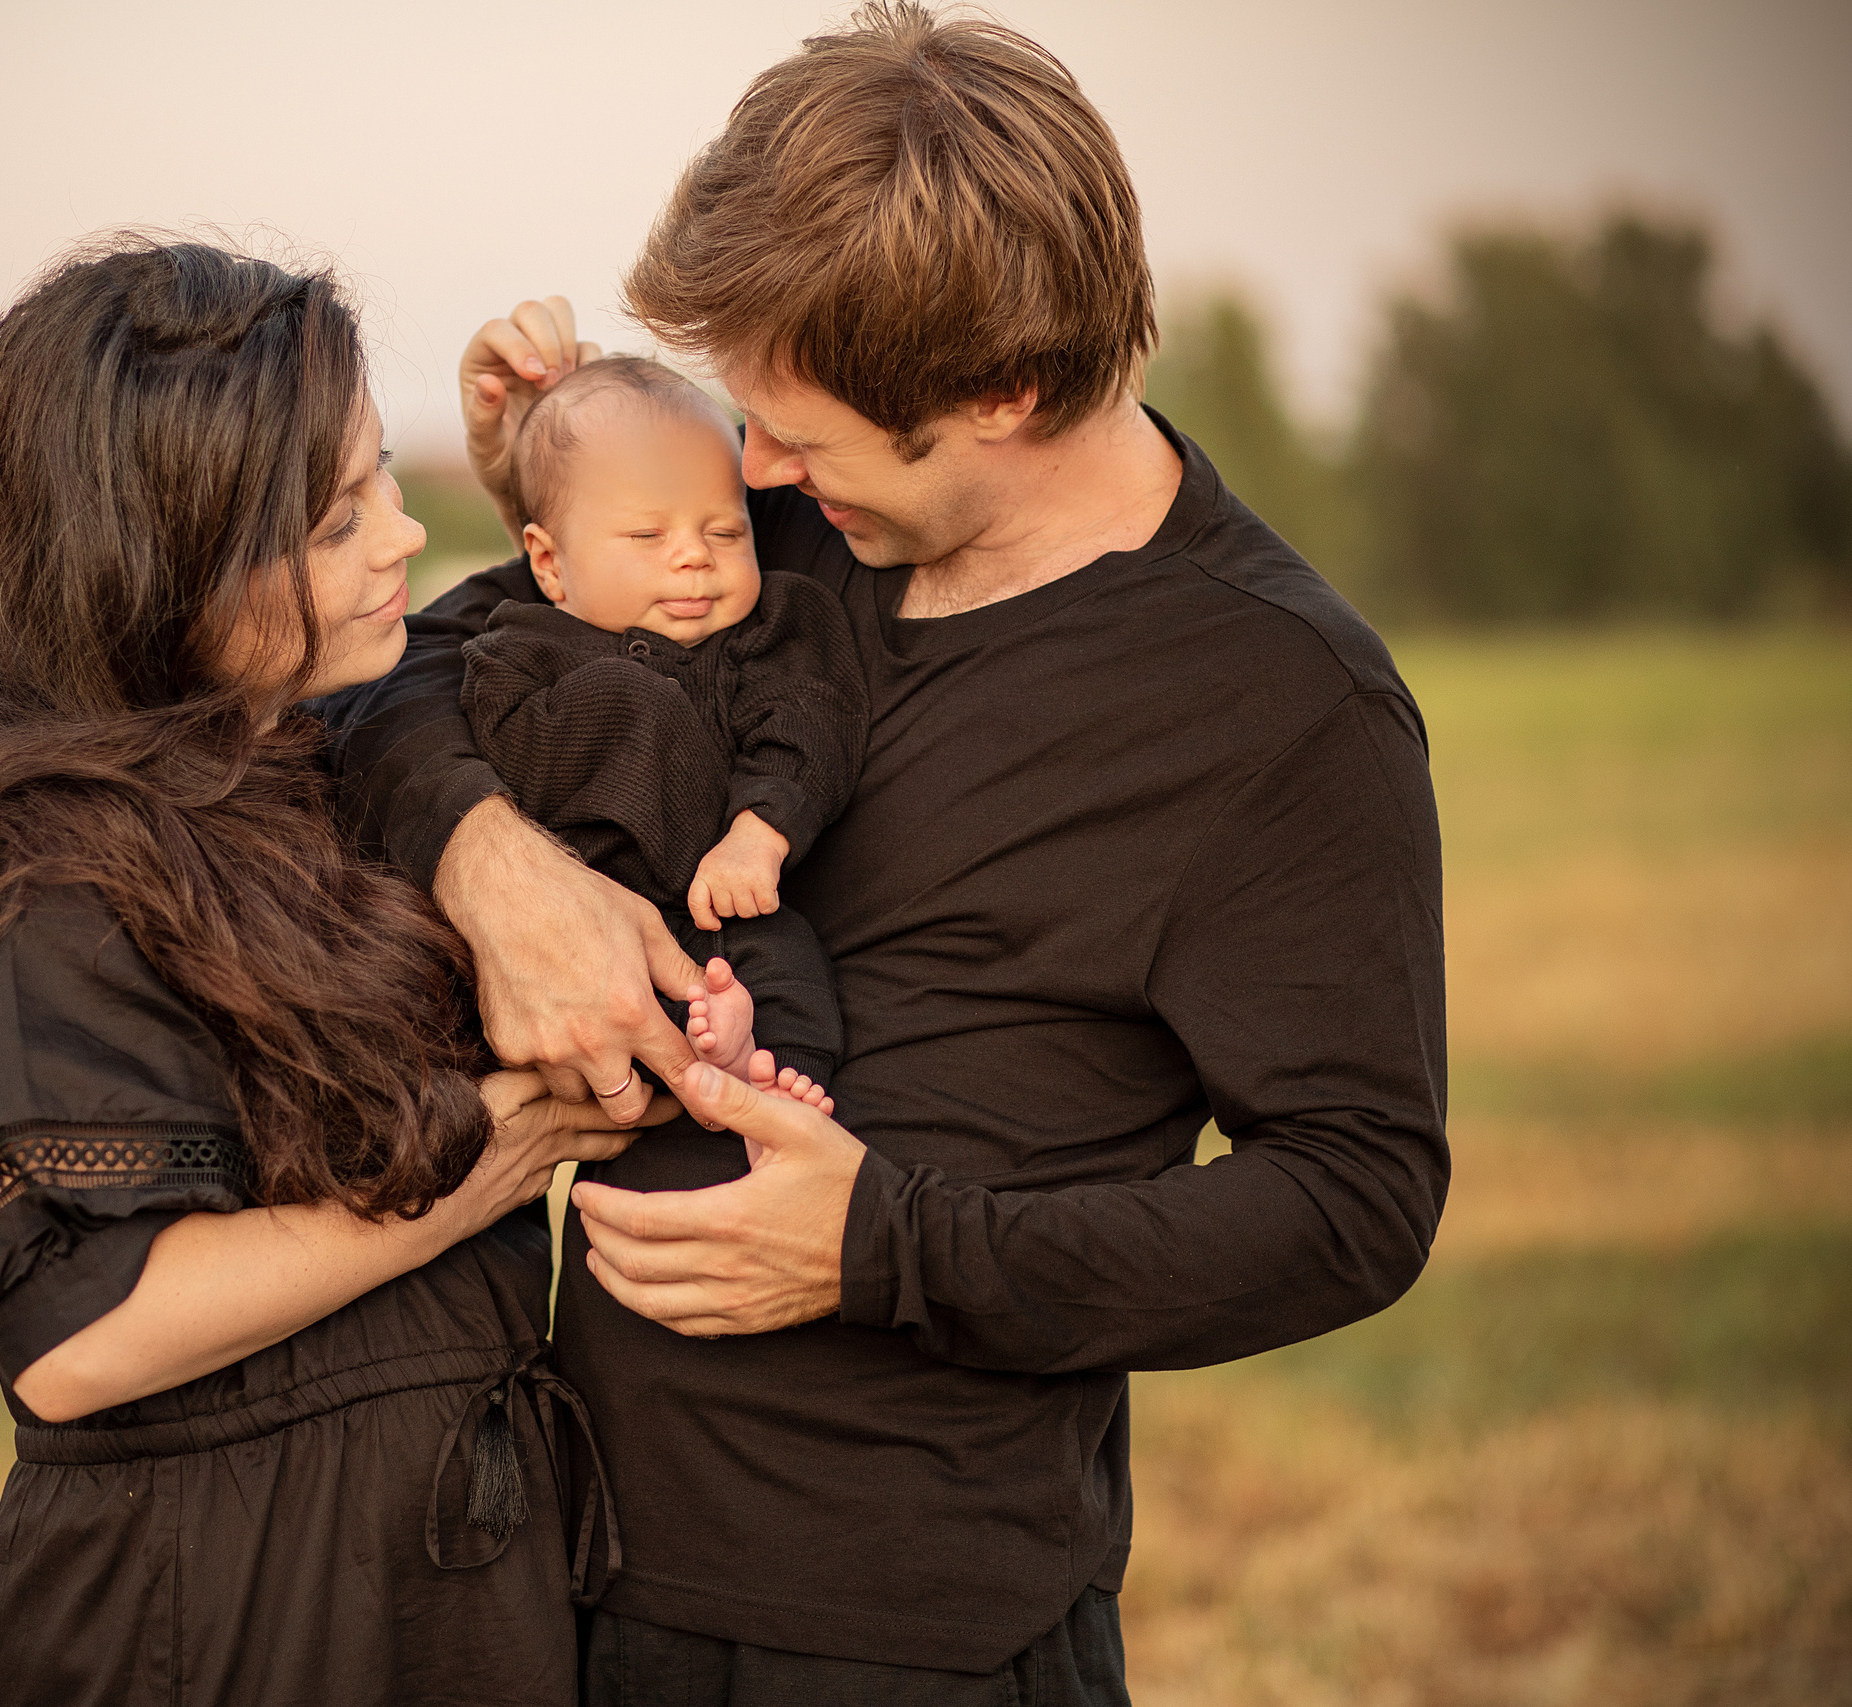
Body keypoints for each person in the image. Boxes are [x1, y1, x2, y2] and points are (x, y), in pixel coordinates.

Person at [324, 6, 1450, 1703]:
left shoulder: (1283, 701)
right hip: (569, 1569)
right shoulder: (771, 543)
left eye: (801, 432)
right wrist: (493, 860)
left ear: (997, 389)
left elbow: (1358, 1201)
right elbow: (414, 674)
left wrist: (892, 1246)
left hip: (915, 1641)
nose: (758, 470)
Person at [0, 240, 655, 1707]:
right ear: (165, 561)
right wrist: (484, 1162)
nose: (403, 538)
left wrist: (539, 469)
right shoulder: (50, 876)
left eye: (387, 482)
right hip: (227, 1612)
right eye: (341, 514)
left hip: (429, 1581)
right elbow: (81, 1336)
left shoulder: (304, 759)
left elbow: (563, 638)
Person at [459, 355, 865, 1103]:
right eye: (648, 534)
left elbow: (809, 725)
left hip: (731, 910)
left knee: (791, 967)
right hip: (588, 931)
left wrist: (757, 834)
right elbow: (515, 759)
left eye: (725, 530)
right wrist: (623, 701)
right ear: (549, 564)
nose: (693, 556)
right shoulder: (520, 654)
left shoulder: (771, 631)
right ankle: (710, 1056)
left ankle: (769, 1075)